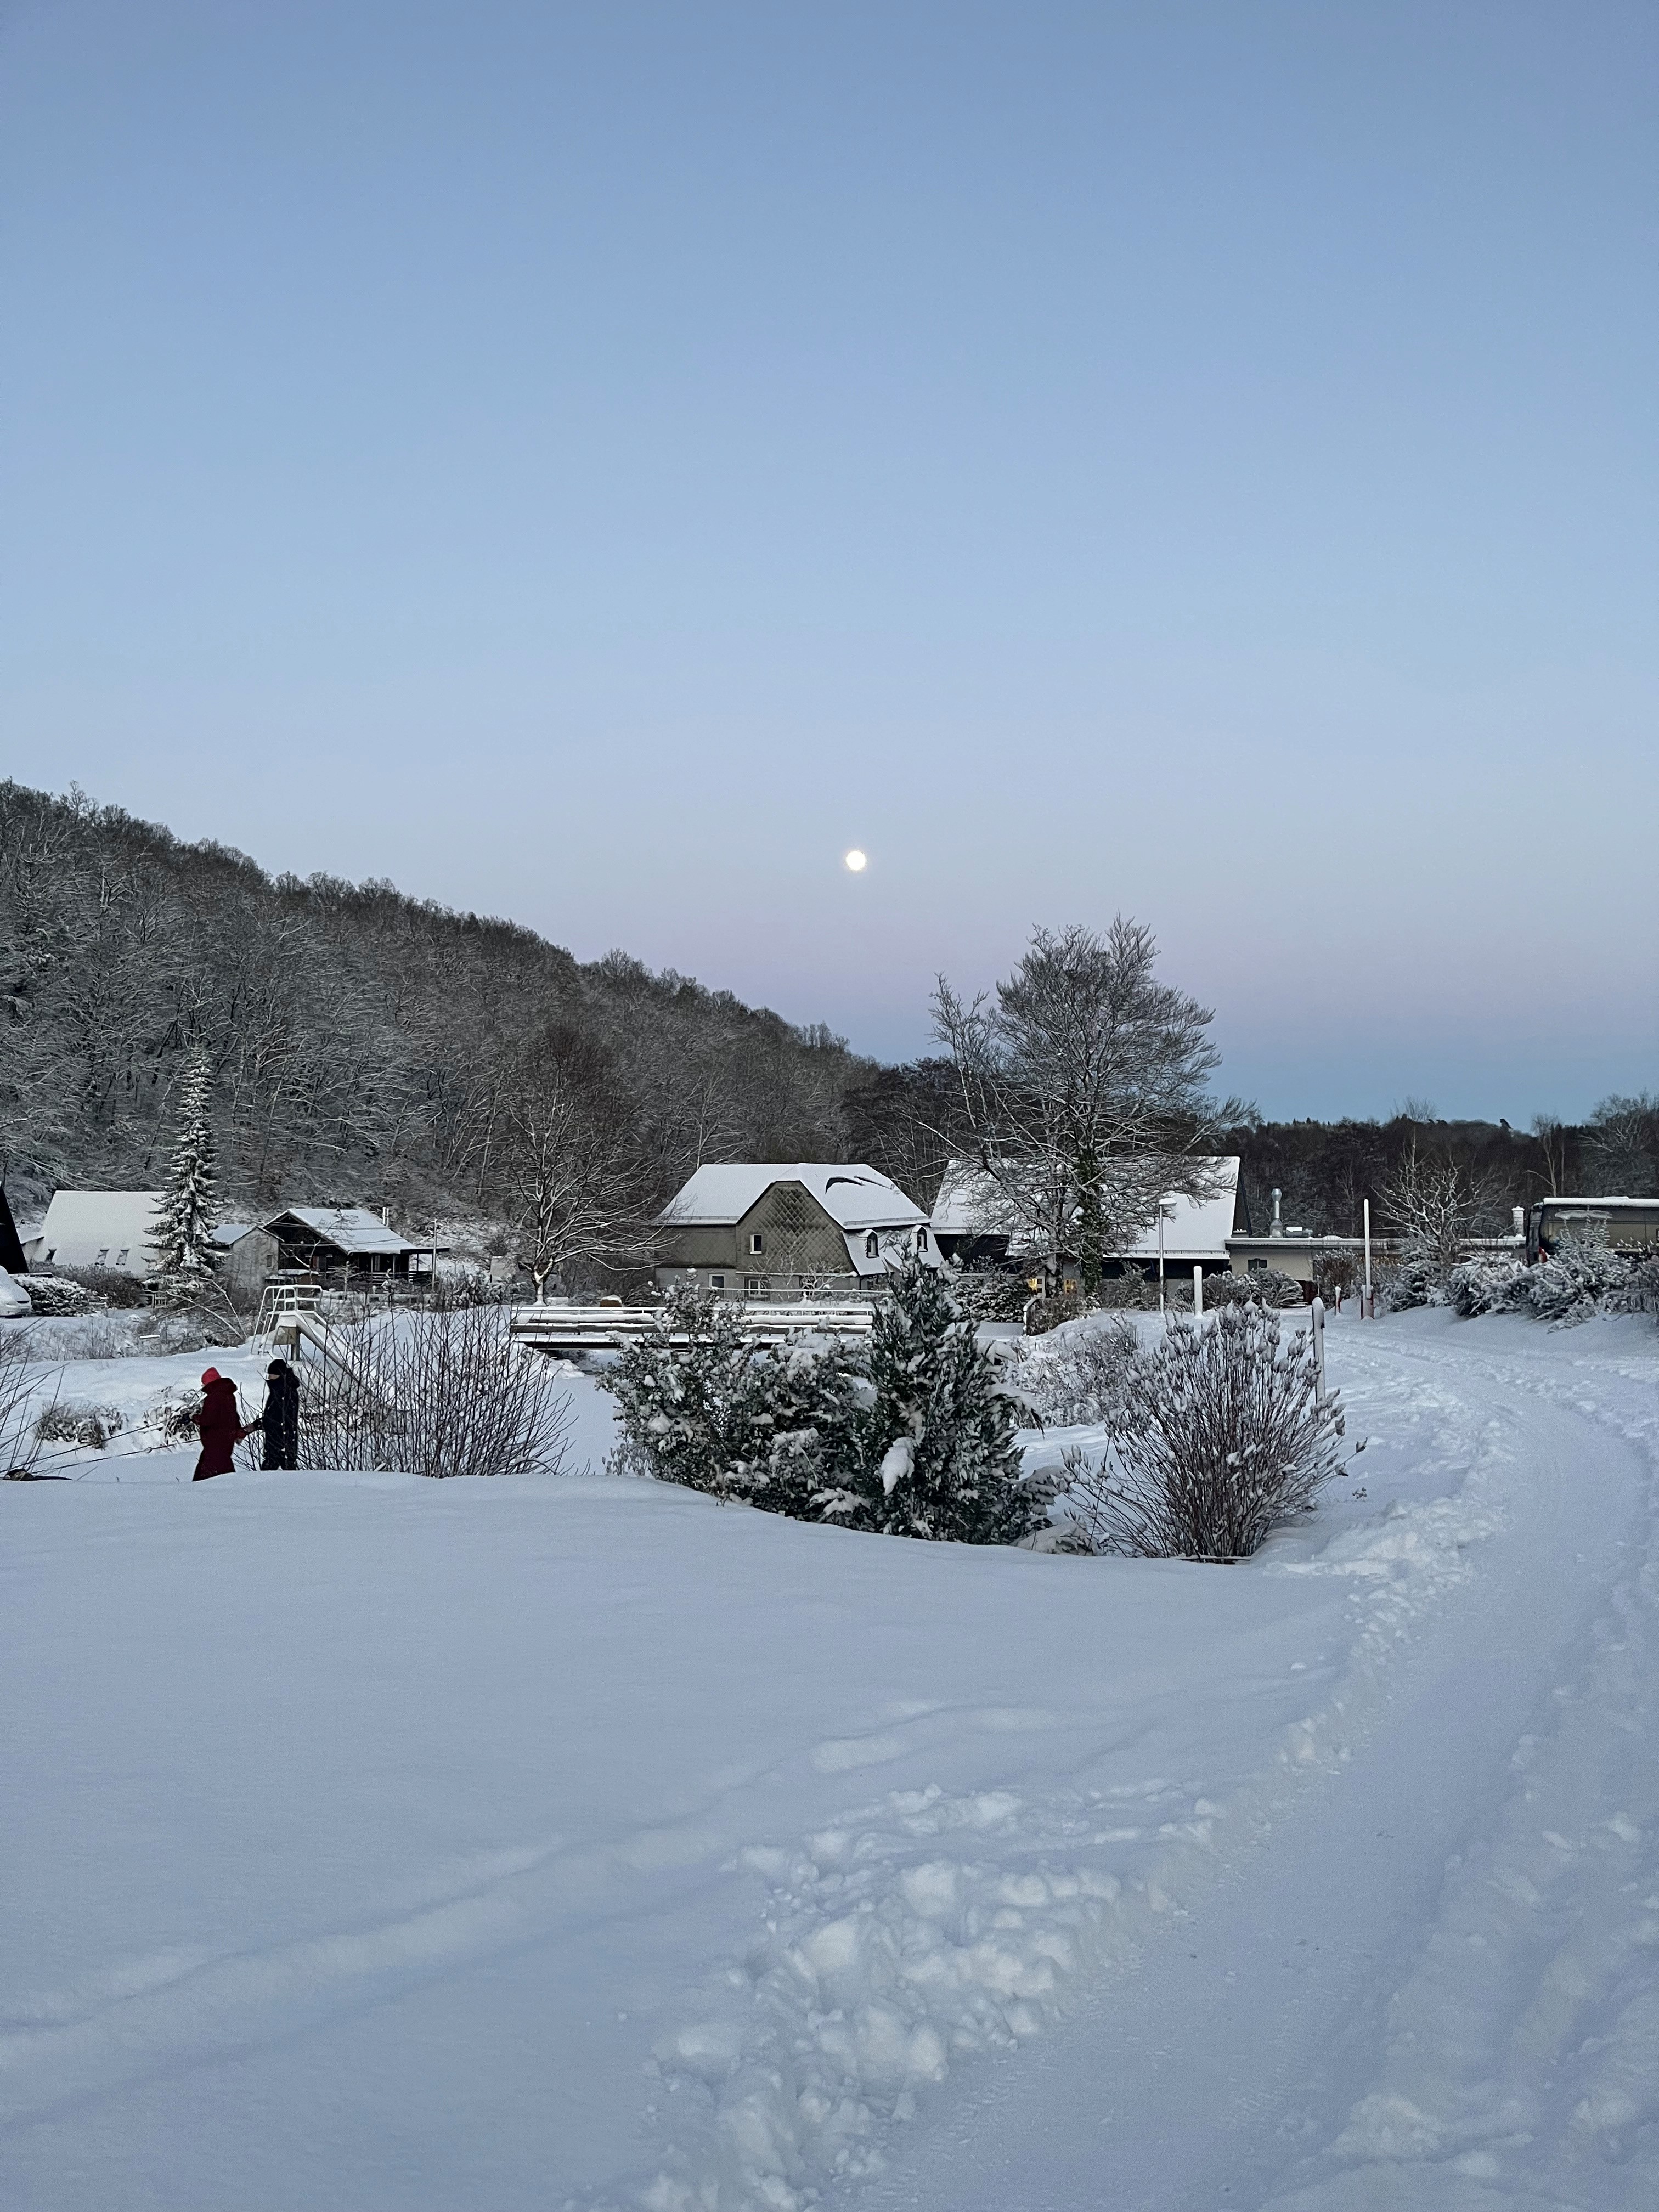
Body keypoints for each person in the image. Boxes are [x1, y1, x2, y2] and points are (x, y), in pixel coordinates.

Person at [192, 1368, 250, 1482]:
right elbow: (234, 1416)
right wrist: (238, 1430)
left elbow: (207, 1420)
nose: (203, 1386)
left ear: (209, 1383)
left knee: (209, 1473)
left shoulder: (213, 1398)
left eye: (204, 1383)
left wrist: (194, 1418)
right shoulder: (229, 1396)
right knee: (222, 1467)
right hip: (227, 1440)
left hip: (215, 1440)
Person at [259, 1357, 300, 1471]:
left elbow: (279, 1418)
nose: (269, 1378)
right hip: (276, 1444)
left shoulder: (285, 1392)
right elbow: (271, 1417)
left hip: (281, 1445)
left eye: (271, 1375)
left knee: (283, 1476)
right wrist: (256, 1425)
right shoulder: (277, 1391)